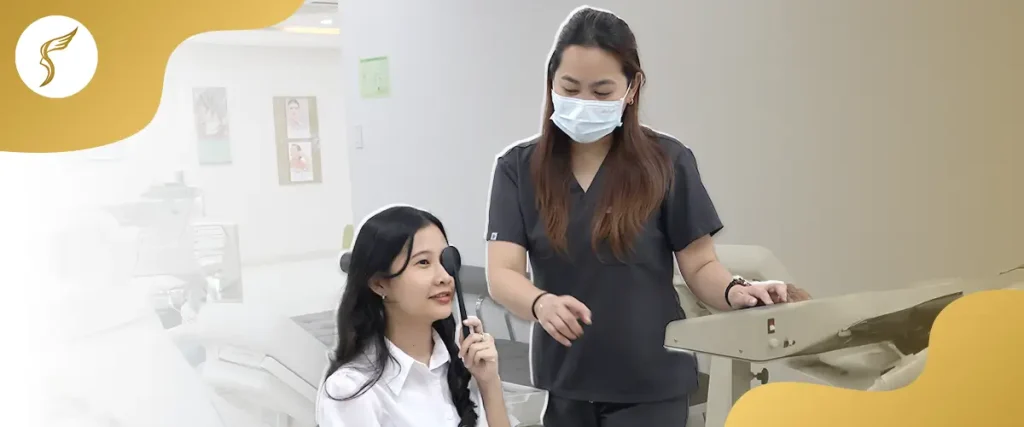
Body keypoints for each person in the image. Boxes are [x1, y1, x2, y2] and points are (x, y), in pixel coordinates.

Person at [485, 7, 800, 426]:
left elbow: (701, 264)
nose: (584, 103)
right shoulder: (518, 168)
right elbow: (503, 273)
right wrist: (540, 303)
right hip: (566, 385)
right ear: (551, 84)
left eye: (601, 92)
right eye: (571, 88)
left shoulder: (667, 162)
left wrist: (733, 291)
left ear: (631, 89)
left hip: (651, 386)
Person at [317, 206, 513, 427]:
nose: (444, 277)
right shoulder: (352, 390)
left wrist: (489, 384)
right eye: (423, 263)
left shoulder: (463, 367)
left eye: (444, 260)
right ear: (379, 283)